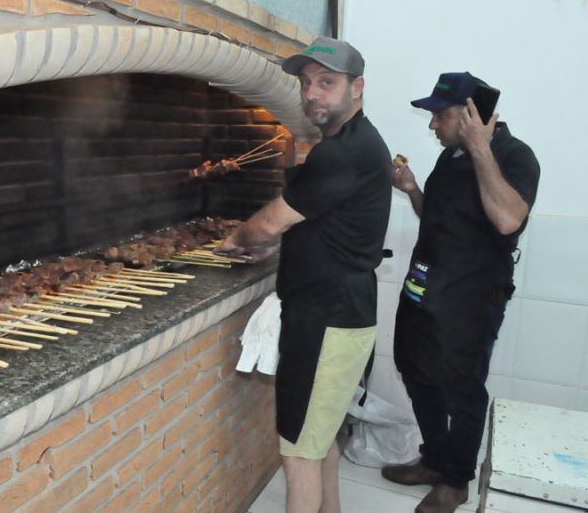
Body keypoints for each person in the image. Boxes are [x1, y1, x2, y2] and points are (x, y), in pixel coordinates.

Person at [216, 36, 392, 513]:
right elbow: (323, 224)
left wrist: (238, 238)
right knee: (320, 441)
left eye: (326, 83)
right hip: (343, 316)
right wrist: (277, 247)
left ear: (357, 87)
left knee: (298, 456)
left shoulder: (343, 152)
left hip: (326, 323)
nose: (312, 93)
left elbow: (270, 221)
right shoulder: (356, 143)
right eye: (306, 83)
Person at [383, 72, 540, 513]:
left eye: (442, 115)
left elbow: (508, 220)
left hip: (471, 297)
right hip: (426, 287)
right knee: (415, 371)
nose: (433, 124)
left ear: (474, 115)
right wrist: (413, 190)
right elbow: (437, 216)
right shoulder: (449, 156)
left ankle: (456, 481)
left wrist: (480, 149)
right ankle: (434, 461)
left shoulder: (515, 155)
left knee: (462, 388)